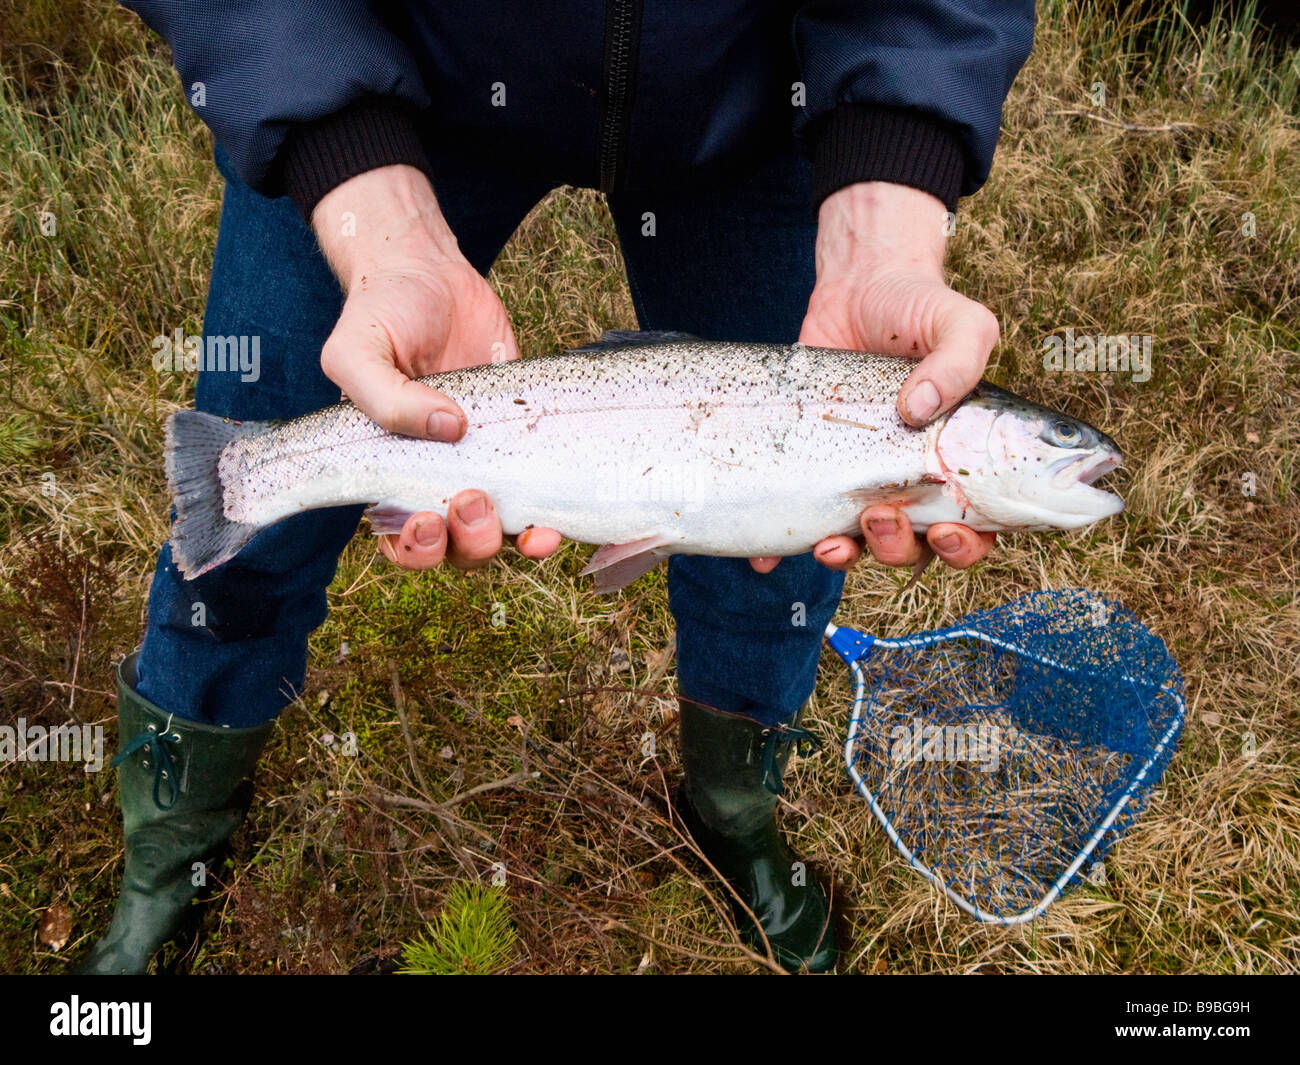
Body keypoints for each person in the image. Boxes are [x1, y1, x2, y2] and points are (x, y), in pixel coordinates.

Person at [81, 1, 1034, 974]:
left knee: (776, 547)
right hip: (379, 79)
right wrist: (350, 158)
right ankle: (170, 849)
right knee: (256, 504)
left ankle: (732, 809)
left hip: (753, 105)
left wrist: (890, 173)